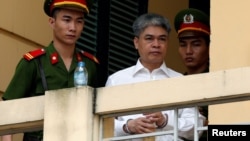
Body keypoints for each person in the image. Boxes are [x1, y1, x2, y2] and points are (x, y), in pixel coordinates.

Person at [1, 0, 99, 141]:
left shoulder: (90, 65)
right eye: (67, 20)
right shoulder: (34, 62)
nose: (73, 27)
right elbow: (8, 110)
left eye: (79, 21)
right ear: (52, 22)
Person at [105, 13, 205, 141]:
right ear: (136, 42)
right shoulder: (117, 80)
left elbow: (196, 127)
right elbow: (102, 125)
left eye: (162, 39)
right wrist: (127, 126)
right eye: (149, 38)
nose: (156, 44)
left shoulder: (181, 81)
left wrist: (165, 121)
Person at [174, 8, 210, 141]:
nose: (188, 51)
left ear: (209, 47)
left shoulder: (219, 81)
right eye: (183, 45)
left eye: (196, 44)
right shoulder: (175, 82)